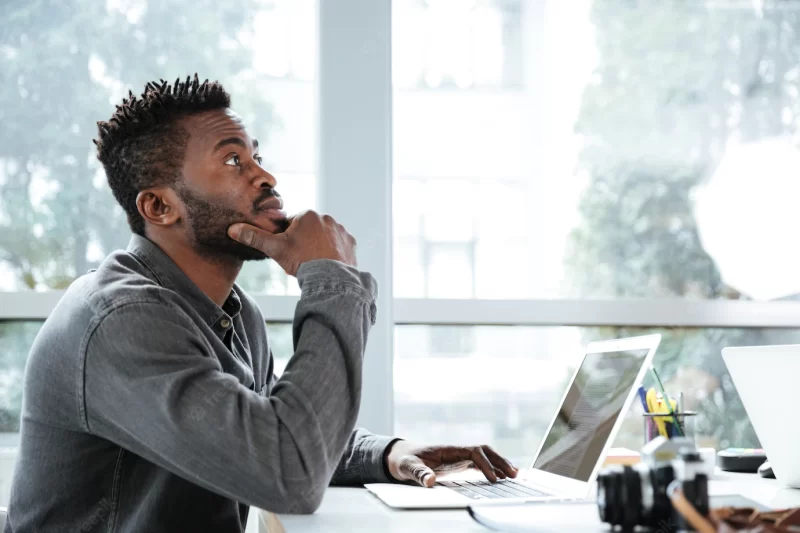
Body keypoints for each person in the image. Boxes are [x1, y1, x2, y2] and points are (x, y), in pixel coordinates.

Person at [4, 75, 518, 532]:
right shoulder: (122, 319)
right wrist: (331, 278)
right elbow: (284, 471)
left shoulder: (232, 311)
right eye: (232, 159)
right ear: (159, 206)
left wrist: (387, 454)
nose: (265, 176)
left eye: (257, 156)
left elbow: (263, 432)